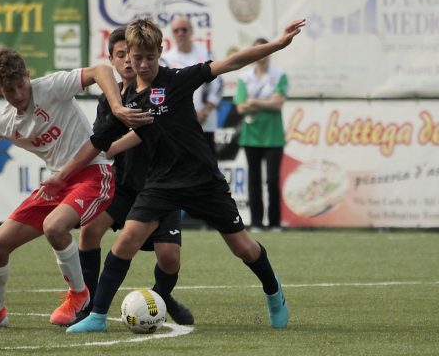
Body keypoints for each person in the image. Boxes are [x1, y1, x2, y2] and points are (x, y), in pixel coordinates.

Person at [62, 17, 305, 333]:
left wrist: (278, 43)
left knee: (242, 248)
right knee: (125, 242)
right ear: (128, 56)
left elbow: (230, 63)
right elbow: (97, 142)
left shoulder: (177, 79)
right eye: (137, 58)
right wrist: (62, 176)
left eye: (150, 57)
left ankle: (274, 293)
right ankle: (96, 316)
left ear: (161, 51)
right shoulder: (127, 105)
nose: (144, 64)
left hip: (203, 180)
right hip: (161, 184)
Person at [0, 49, 150, 329]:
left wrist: (117, 107)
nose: (19, 94)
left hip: (94, 173)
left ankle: (79, 294)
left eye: (22, 85)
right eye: (10, 90)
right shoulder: (2, 120)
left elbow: (101, 71)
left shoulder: (49, 87)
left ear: (28, 76)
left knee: (54, 226)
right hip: (58, 182)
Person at [47, 27, 194, 325]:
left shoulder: (155, 91)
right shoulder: (109, 101)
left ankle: (162, 297)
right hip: (123, 187)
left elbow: (132, 135)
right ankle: (87, 303)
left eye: (133, 55)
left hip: (159, 187)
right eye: (121, 55)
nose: (129, 61)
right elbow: (99, 144)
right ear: (112, 60)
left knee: (169, 257)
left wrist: (109, 145)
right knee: (89, 231)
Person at [234, 38, 287, 232]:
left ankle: (274, 223)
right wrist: (266, 102)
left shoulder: (279, 76)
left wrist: (254, 103)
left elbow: (278, 103)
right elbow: (240, 107)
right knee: (254, 180)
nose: (262, 56)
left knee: (272, 180)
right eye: (258, 51)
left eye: (265, 51)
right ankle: (256, 222)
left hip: (273, 136)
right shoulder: (244, 77)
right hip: (251, 136)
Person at [161, 16, 223, 153]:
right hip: (178, 124)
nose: (180, 33)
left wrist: (205, 112)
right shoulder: (166, 60)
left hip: (205, 123)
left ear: (191, 31)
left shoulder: (206, 54)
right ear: (172, 33)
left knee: (207, 168)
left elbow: (218, 85)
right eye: (176, 30)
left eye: (184, 29)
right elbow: (165, 91)